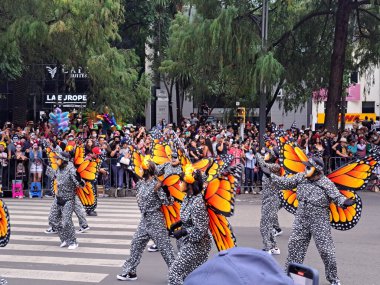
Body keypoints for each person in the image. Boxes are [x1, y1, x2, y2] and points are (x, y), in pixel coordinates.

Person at [269, 157, 355, 285]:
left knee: (326, 251)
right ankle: (289, 277)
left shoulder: (326, 183)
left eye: (309, 167)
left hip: (319, 221)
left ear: (317, 170)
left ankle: (333, 279)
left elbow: (337, 197)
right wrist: (269, 175)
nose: (305, 169)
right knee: (294, 248)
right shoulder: (301, 177)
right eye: (306, 166)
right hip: (301, 219)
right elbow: (285, 183)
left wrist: (344, 202)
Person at [117, 160, 175, 281]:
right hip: (144, 220)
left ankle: (176, 273)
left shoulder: (157, 185)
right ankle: (130, 272)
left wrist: (166, 191)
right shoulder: (142, 183)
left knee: (166, 249)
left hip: (156, 220)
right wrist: (129, 169)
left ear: (147, 171)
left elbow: (168, 202)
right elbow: (137, 180)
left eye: (142, 169)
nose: (141, 171)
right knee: (136, 244)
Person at [168, 170, 211, 285]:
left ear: (189, 183)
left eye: (181, 181)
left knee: (174, 273)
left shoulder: (198, 202)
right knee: (192, 277)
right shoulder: (187, 198)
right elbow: (189, 219)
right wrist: (177, 224)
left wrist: (183, 231)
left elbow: (201, 229)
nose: (179, 184)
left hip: (197, 244)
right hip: (188, 241)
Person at [46, 152, 85, 250]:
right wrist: (46, 168)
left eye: (58, 159)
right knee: (52, 219)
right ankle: (64, 239)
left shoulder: (71, 170)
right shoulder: (59, 169)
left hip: (69, 199)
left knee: (66, 221)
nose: (56, 160)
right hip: (58, 197)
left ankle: (73, 241)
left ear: (64, 160)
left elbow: (81, 185)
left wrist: (79, 179)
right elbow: (55, 176)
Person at [256, 148, 282, 255]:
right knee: (269, 224)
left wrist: (257, 154)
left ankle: (268, 248)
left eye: (268, 153)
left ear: (272, 156)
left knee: (264, 225)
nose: (265, 155)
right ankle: (273, 247)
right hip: (267, 199)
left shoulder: (276, 166)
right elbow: (262, 163)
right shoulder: (270, 165)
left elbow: (263, 164)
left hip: (271, 199)